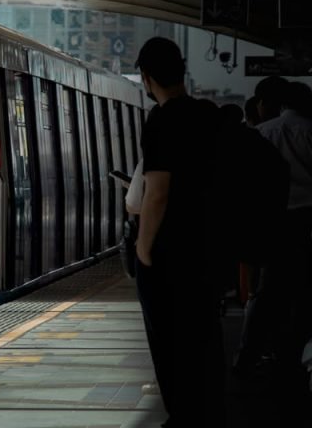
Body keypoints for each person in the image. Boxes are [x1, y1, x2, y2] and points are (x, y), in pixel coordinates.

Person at [134, 37, 223, 427]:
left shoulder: (162, 120)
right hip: (207, 243)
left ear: (146, 77)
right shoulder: (209, 116)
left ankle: (183, 414)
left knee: (168, 339)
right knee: (203, 330)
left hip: (171, 250)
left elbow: (157, 194)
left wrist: (143, 249)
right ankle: (206, 409)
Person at [255, 80, 312, 387]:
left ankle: (269, 351)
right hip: (307, 221)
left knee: (270, 290)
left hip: (273, 222)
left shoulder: (264, 132)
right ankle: (294, 351)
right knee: (304, 290)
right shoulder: (310, 130)